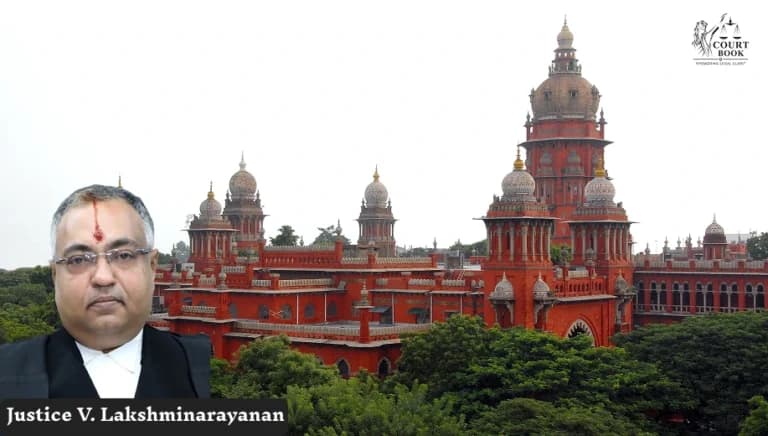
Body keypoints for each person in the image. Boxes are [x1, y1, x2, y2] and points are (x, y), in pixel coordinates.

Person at [0, 185, 210, 398]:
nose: (103, 277)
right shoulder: (8, 373)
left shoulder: (196, 366)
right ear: (55, 275)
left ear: (152, 266)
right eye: (78, 260)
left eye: (124, 255)